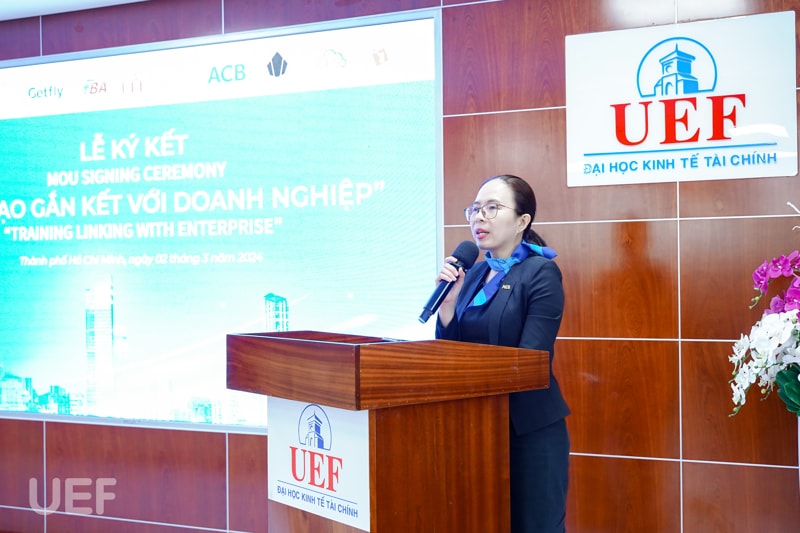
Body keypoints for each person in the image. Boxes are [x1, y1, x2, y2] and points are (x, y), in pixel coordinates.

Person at [434, 174, 570, 533]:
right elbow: (452, 352)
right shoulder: (473, 273)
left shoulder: (541, 273)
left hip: (528, 430)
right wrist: (448, 305)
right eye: (475, 209)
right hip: (477, 428)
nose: (479, 217)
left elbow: (532, 361)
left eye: (492, 208)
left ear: (522, 221)